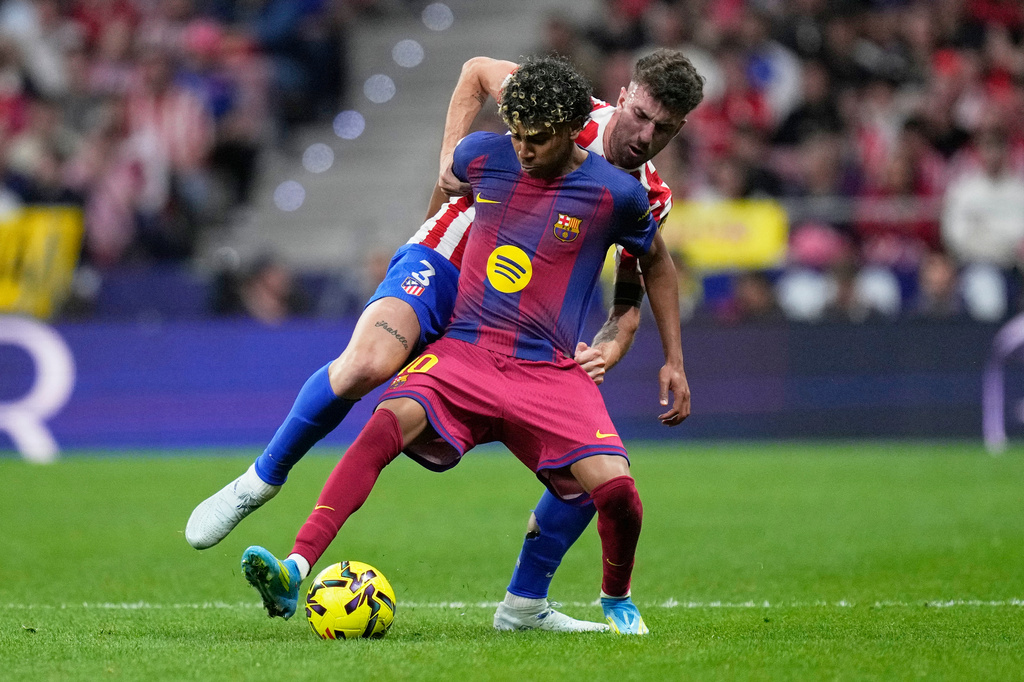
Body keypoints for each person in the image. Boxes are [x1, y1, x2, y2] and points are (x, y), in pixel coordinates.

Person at [186, 49, 704, 631]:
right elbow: (477, 70)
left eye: (663, 128)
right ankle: (259, 482)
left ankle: (526, 604)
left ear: (680, 128)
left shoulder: (642, 195)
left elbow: (631, 299)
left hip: (520, 317)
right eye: (640, 116)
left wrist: (610, 348)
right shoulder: (558, 105)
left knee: (586, 467)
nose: (645, 135)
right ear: (623, 96)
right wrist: (446, 163)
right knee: (367, 366)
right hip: (450, 255)